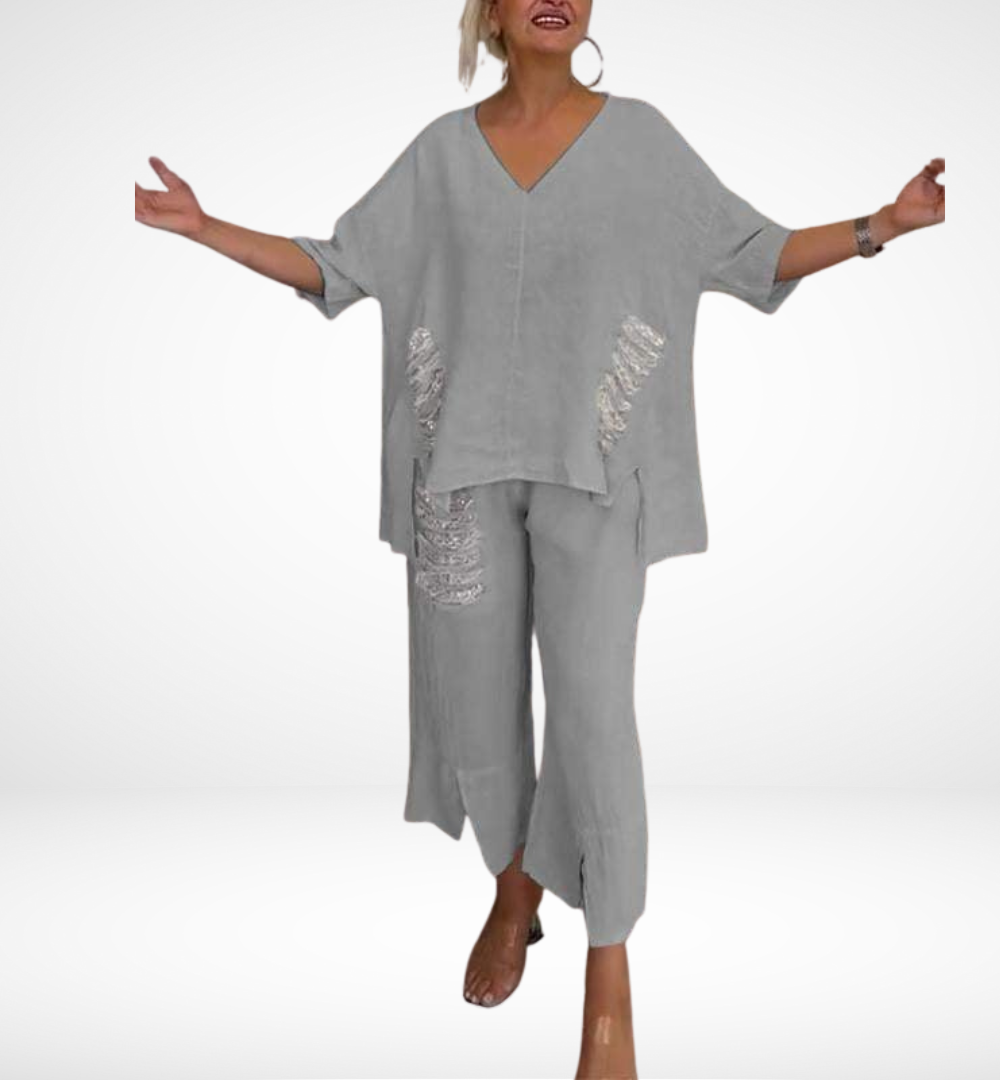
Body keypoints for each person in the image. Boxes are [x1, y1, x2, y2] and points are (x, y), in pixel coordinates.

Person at [134, 0, 945, 1075]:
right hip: (458, 476)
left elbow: (752, 254)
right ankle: (514, 884)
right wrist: (205, 228)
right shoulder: (440, 156)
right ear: (493, 13)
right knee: (475, 706)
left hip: (597, 476)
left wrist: (882, 224)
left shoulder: (642, 142)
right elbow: (338, 266)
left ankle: (609, 964)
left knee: (595, 717)